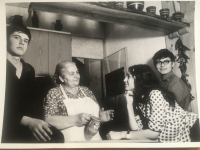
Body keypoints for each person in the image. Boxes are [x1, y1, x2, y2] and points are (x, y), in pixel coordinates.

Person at [2, 22, 64, 143]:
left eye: (26, 40)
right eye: (17, 37)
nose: (22, 42)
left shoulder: (29, 69)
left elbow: (29, 103)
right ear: (5, 40)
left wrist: (38, 121)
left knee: (57, 137)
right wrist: (28, 121)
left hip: (25, 122)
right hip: (5, 123)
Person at [107, 64, 199, 142]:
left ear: (139, 78)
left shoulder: (155, 94)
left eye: (128, 76)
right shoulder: (140, 98)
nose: (124, 80)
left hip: (193, 131)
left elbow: (154, 133)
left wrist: (121, 134)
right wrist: (129, 104)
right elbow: (136, 130)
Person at [43, 61, 114, 142]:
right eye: (71, 74)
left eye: (77, 72)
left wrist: (100, 118)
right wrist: (76, 119)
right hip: (71, 144)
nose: (77, 76)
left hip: (95, 141)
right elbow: (48, 121)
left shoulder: (86, 91)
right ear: (61, 78)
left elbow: (95, 123)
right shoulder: (54, 93)